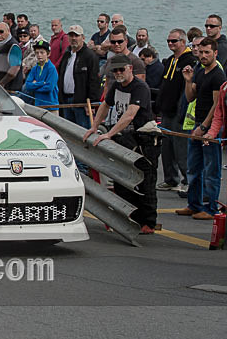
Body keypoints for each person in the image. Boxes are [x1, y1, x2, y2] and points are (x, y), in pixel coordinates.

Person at [84, 54, 160, 235]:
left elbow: (130, 115)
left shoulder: (140, 88)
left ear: (130, 69)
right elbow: (105, 105)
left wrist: (109, 134)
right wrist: (94, 127)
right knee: (122, 180)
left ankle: (148, 222)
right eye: (115, 70)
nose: (118, 73)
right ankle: (128, 217)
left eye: (121, 69)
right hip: (124, 137)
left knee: (145, 181)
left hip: (144, 139)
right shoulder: (117, 86)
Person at [174, 37, 225, 220]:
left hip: (210, 127)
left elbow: (217, 106)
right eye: (201, 52)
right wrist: (188, 81)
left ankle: (211, 208)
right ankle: (194, 204)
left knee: (212, 170)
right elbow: (190, 98)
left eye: (207, 53)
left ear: (215, 53)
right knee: (193, 168)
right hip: (197, 125)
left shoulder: (218, 75)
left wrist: (204, 127)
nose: (203, 56)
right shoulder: (200, 72)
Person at [156, 29, 196, 192]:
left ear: (183, 42)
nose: (171, 44)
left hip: (180, 112)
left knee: (181, 148)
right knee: (166, 147)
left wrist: (182, 111)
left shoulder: (190, 60)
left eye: (174, 41)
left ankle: (187, 180)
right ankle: (170, 179)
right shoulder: (171, 60)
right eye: (169, 41)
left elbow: (188, 89)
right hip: (166, 110)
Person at [57, 25, 100, 130]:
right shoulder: (67, 54)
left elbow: (94, 80)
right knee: (68, 130)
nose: (73, 38)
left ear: (83, 38)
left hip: (82, 102)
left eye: (76, 36)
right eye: (71, 36)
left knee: (83, 130)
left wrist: (92, 103)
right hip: (66, 100)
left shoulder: (90, 56)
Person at [23, 40, 59, 111]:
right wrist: (42, 83)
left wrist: (35, 85)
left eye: (42, 52)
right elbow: (27, 85)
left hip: (51, 106)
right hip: (38, 105)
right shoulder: (34, 69)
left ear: (48, 54)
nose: (39, 55)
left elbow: (49, 87)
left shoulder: (52, 68)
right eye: (37, 53)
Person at [0, 22, 23, 91]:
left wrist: (1, 83)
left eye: (1, 31)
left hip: (8, 89)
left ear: (8, 31)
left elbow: (14, 70)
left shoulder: (14, 46)